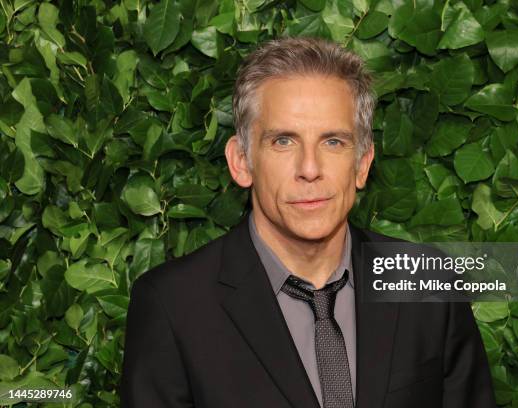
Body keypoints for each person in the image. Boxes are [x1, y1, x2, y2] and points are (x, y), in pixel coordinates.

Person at [120, 36, 496, 408]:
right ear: (241, 162)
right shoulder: (173, 305)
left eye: (333, 142)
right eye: (283, 141)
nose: (310, 169)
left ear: (363, 163)